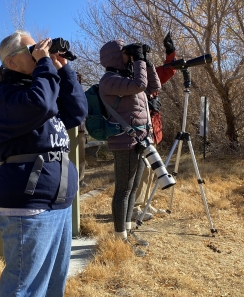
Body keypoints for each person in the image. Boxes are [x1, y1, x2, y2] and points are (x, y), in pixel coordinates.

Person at [0, 31, 87, 297]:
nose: (39, 52)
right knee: (26, 287)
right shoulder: (4, 95)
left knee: (54, 282)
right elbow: (39, 105)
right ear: (11, 62)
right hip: (27, 204)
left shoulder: (44, 87)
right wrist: (44, 65)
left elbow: (76, 113)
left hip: (59, 199)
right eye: (31, 50)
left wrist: (63, 71)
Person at [99, 39, 161, 256]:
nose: (131, 57)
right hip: (123, 140)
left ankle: (128, 230)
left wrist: (146, 61)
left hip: (140, 139)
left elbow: (153, 87)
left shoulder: (128, 77)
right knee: (123, 189)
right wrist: (139, 61)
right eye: (128, 53)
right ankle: (119, 238)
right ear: (116, 57)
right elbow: (140, 86)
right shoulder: (109, 80)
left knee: (133, 187)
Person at [133, 32, 177, 220]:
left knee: (152, 168)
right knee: (141, 169)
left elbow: (169, 70)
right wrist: (145, 103)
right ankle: (134, 208)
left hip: (153, 128)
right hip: (138, 129)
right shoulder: (126, 74)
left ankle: (144, 204)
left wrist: (170, 51)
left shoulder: (150, 72)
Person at [76, 72, 88, 188]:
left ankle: (81, 180)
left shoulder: (82, 94)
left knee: (81, 156)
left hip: (81, 130)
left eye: (79, 78)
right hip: (69, 129)